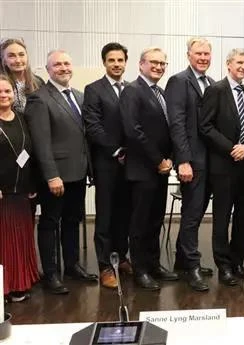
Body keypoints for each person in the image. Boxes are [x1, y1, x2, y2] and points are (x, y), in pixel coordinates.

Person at [24, 50, 98, 295]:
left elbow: (84, 136)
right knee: (50, 223)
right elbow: (41, 143)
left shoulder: (78, 95)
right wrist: (51, 175)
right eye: (57, 65)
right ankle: (51, 273)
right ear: (48, 69)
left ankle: (72, 265)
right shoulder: (39, 99)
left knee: (72, 220)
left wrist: (90, 170)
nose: (63, 68)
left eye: (67, 63)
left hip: (77, 172)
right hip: (55, 176)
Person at [120, 47, 178, 291]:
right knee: (140, 223)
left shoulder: (161, 93)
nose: (159, 67)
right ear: (141, 64)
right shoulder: (132, 91)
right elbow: (133, 131)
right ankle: (140, 270)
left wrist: (170, 159)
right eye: (154, 62)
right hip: (143, 169)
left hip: (161, 168)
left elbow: (169, 129)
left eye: (163, 63)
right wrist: (158, 160)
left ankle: (154, 265)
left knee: (156, 220)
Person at [199, 48, 244, 286]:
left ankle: (237, 262)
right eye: (239, 63)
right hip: (223, 165)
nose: (243, 67)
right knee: (222, 218)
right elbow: (206, 126)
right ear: (228, 65)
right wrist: (232, 147)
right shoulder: (215, 90)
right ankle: (223, 266)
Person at [165, 38, 215, 292]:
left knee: (196, 213)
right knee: (192, 214)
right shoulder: (178, 81)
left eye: (207, 53)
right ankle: (192, 266)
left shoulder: (214, 84)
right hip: (191, 162)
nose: (203, 58)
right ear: (188, 55)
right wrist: (182, 160)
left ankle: (183, 260)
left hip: (211, 162)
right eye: (199, 53)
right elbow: (176, 123)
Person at [82, 42, 133, 289]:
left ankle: (121, 257)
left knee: (125, 214)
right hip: (106, 163)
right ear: (104, 62)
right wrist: (116, 150)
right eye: (111, 60)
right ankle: (104, 266)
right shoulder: (94, 89)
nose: (116, 64)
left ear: (126, 62)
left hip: (131, 164)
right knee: (104, 216)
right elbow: (93, 126)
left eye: (120, 60)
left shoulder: (132, 89)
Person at [0, 75, 40, 302]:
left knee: (20, 239)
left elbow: (31, 154)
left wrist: (32, 184)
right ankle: (2, 287)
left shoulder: (23, 118)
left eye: (7, 91)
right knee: (3, 242)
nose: (4, 95)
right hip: (2, 192)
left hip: (22, 191)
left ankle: (18, 283)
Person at [0, 38, 44, 113]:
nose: (18, 60)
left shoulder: (39, 82)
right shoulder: (1, 84)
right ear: (4, 61)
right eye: (11, 56)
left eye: (21, 55)